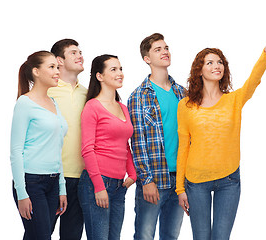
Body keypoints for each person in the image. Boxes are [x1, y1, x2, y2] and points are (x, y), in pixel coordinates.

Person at [176, 27, 266, 240]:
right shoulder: (185, 105)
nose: (217, 66)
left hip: (229, 180)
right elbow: (183, 147)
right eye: (210, 62)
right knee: (201, 237)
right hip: (196, 182)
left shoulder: (233, 100)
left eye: (220, 62)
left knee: (221, 237)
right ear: (199, 70)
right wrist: (180, 189)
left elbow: (253, 81)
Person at [127, 33, 186, 240]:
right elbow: (138, 142)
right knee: (144, 235)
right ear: (147, 59)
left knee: (171, 235)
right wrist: (147, 180)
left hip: (180, 179)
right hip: (154, 178)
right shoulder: (138, 95)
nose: (165, 52)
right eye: (158, 49)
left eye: (166, 47)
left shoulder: (182, 93)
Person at [78, 54, 137, 240]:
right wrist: (98, 186)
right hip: (97, 182)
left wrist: (132, 174)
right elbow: (87, 149)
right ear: (99, 76)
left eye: (120, 69)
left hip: (119, 186)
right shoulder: (92, 107)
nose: (120, 73)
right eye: (113, 69)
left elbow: (124, 144)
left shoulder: (123, 107)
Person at [10, 51, 68, 240]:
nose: (57, 71)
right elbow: (16, 151)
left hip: (52, 182)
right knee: (42, 236)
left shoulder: (53, 102)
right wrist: (22, 193)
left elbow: (56, 147)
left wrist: (61, 188)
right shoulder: (25, 103)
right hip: (31, 182)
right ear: (36, 71)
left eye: (57, 67)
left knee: (37, 235)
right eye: (51, 67)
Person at [48, 39, 86, 240]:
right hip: (51, 177)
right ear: (59, 60)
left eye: (80, 52)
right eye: (73, 53)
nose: (80, 55)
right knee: (40, 234)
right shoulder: (46, 92)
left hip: (81, 178)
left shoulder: (88, 94)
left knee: (72, 236)